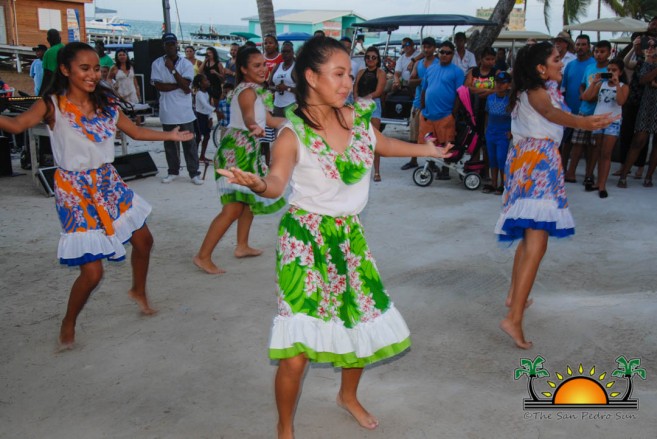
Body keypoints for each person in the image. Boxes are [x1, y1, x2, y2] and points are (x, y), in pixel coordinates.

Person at [216, 36, 454, 439]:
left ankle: (348, 396)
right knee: (296, 348)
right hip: (304, 240)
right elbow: (276, 182)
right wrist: (257, 184)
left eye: (349, 73)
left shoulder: (358, 118)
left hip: (348, 238)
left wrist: (426, 150)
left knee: (358, 322)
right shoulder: (293, 133)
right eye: (338, 74)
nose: (348, 82)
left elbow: (383, 144)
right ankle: (285, 426)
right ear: (311, 76)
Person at [0, 42, 194, 348]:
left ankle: (138, 290)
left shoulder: (106, 103)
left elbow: (136, 132)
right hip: (75, 192)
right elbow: (16, 125)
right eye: (84, 68)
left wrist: (170, 134)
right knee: (92, 272)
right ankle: (68, 321)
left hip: (107, 182)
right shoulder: (53, 104)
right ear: (65, 70)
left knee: (144, 240)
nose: (93, 75)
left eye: (96, 69)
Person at [495, 42, 616, 349]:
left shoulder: (539, 88)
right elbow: (549, 112)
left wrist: (584, 117)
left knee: (530, 237)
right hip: (536, 162)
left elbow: (553, 111)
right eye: (557, 60)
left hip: (531, 159)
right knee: (538, 241)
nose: (562, 64)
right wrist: (585, 122)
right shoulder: (537, 92)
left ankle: (514, 296)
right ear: (540, 68)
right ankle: (514, 318)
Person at [193, 46, 287, 275]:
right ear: (243, 69)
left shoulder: (256, 90)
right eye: (256, 66)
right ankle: (202, 256)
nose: (263, 69)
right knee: (233, 208)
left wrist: (298, 123)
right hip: (235, 153)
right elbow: (248, 115)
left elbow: (271, 121)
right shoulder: (247, 91)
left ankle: (242, 246)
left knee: (248, 202)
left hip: (248, 152)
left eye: (264, 64)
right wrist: (253, 125)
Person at [151, 32, 203, 185]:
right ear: (164, 46)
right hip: (167, 111)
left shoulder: (186, 64)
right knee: (170, 144)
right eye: (167, 44)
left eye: (172, 44)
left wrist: (172, 70)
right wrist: (178, 85)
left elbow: (187, 88)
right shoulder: (156, 63)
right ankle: (172, 171)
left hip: (184, 112)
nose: (170, 47)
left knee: (189, 144)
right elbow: (158, 85)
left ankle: (194, 173)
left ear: (176, 44)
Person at [564, 40, 611, 187]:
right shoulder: (590, 67)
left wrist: (593, 96)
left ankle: (589, 175)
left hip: (599, 112)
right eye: (597, 51)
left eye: (602, 52)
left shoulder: (610, 70)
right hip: (583, 110)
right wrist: (583, 94)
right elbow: (583, 84)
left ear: (609, 53)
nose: (599, 54)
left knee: (593, 146)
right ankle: (570, 172)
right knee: (577, 143)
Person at [580, 58, 628, 198]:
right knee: (597, 151)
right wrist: (594, 82)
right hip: (598, 120)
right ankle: (596, 181)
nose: (610, 72)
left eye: (614, 70)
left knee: (606, 154)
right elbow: (585, 96)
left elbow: (621, 101)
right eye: (609, 70)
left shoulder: (624, 86)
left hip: (613, 121)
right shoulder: (601, 84)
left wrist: (617, 84)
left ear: (620, 72)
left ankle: (602, 185)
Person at [419, 40, 465, 180]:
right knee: (430, 142)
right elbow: (424, 89)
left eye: (448, 53)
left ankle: (445, 168)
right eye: (442, 52)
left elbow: (459, 94)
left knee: (447, 143)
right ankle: (432, 165)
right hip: (428, 114)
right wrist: (422, 108)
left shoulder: (457, 72)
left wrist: (453, 113)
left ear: (453, 54)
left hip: (446, 114)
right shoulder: (431, 68)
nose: (444, 55)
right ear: (438, 53)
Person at [618, 39, 657, 188]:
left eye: (654, 46)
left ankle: (649, 177)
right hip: (647, 105)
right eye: (650, 45)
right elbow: (643, 79)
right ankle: (624, 176)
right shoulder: (647, 62)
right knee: (638, 140)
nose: (651, 48)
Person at [401, 36, 439, 170]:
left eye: (429, 47)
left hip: (433, 104)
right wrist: (424, 80)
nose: (427, 49)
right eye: (425, 47)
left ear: (434, 48)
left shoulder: (438, 63)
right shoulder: (419, 64)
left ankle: (433, 162)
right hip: (418, 103)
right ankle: (413, 160)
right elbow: (410, 81)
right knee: (414, 133)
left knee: (433, 135)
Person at [560, 34, 594, 169]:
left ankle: (585, 172)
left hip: (586, 110)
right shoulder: (570, 65)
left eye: (583, 44)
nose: (580, 47)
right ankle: (562, 169)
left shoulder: (593, 64)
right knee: (566, 142)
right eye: (578, 44)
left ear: (588, 47)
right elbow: (563, 88)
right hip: (569, 110)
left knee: (585, 145)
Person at [354, 46, 387, 181]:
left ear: (378, 59)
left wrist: (364, 99)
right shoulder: (361, 72)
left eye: (374, 57)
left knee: (375, 138)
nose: (371, 60)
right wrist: (357, 99)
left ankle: (377, 171)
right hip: (360, 106)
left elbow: (379, 91)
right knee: (359, 138)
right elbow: (355, 87)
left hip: (373, 106)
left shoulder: (381, 73)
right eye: (368, 57)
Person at [482, 71, 512, 195]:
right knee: (492, 157)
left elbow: (515, 117)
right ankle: (494, 183)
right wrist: (485, 129)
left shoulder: (511, 100)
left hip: (503, 133)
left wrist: (512, 131)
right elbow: (487, 114)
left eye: (503, 83)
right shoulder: (490, 98)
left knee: (501, 158)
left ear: (508, 85)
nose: (500, 85)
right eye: (498, 82)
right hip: (491, 131)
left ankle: (503, 184)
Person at [271, 41, 296, 117]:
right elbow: (269, 85)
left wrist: (286, 88)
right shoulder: (277, 67)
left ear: (292, 52)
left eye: (288, 51)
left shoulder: (296, 68)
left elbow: (303, 90)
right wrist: (276, 88)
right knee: (278, 128)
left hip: (292, 105)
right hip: (277, 105)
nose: (286, 54)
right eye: (283, 52)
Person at [193, 73, 214, 163]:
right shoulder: (199, 93)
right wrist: (216, 110)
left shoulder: (206, 93)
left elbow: (207, 106)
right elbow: (205, 105)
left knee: (207, 136)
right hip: (199, 116)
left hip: (205, 116)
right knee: (198, 137)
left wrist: (210, 118)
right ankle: (194, 156)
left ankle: (202, 155)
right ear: (200, 83)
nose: (208, 81)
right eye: (205, 80)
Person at [40, 29, 63, 95]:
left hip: (55, 88)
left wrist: (41, 94)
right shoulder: (66, 48)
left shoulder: (48, 53)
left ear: (48, 39)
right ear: (60, 38)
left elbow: (47, 74)